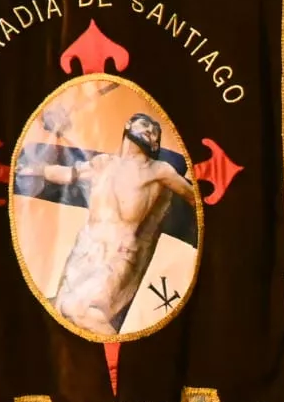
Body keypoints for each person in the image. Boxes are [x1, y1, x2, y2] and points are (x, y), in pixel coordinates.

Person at [18, 102, 200, 335]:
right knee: (61, 308)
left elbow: (193, 197)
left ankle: (127, 361)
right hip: (86, 249)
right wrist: (37, 169)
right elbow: (68, 174)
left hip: (120, 256)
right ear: (128, 126)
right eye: (144, 124)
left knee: (80, 311)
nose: (150, 131)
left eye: (155, 131)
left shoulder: (158, 170)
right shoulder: (103, 163)